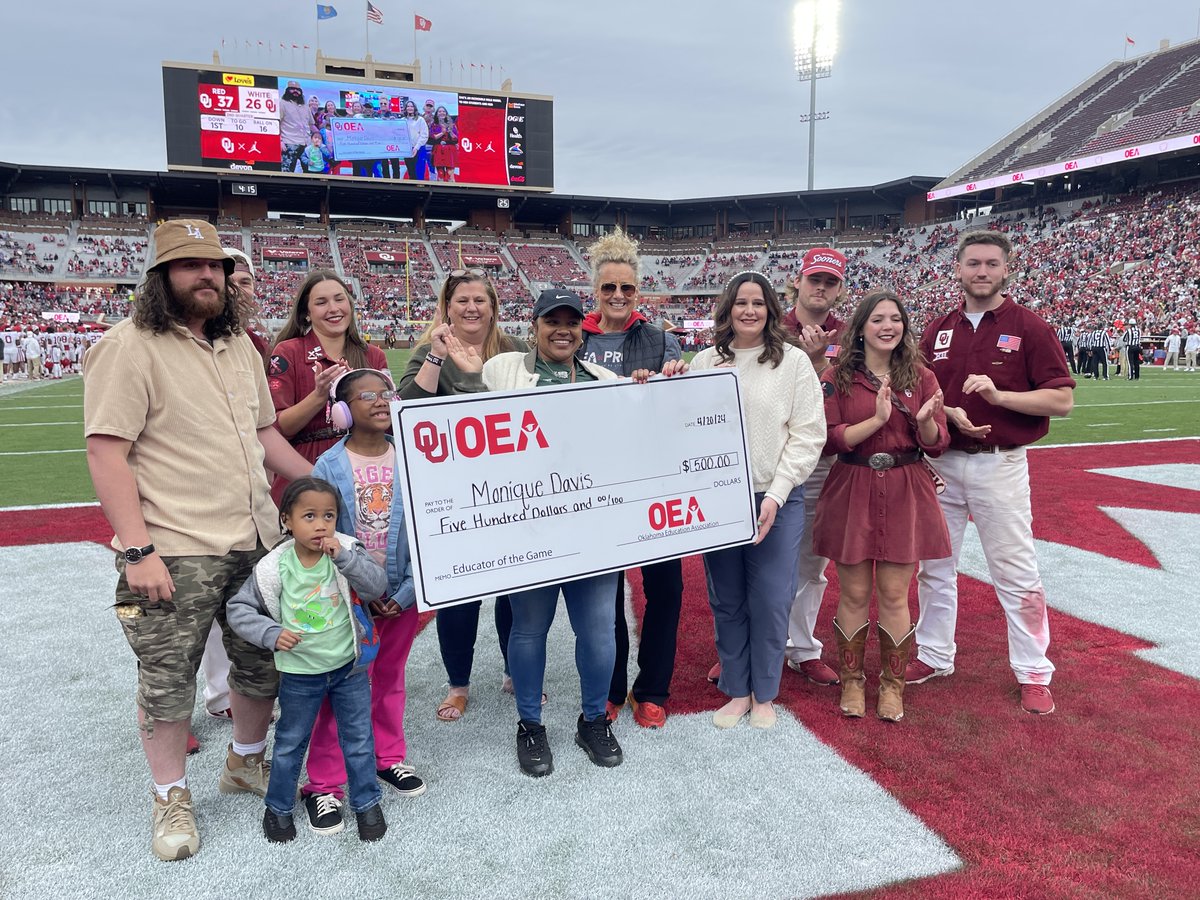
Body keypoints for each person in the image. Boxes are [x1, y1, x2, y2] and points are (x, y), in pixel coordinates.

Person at [82, 219, 312, 861]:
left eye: (213, 265)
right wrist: (136, 549)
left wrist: (324, 483)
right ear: (161, 276)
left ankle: (244, 761)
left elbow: (265, 436)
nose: (207, 276)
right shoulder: (128, 346)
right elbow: (107, 453)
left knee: (262, 661)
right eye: (190, 266)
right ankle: (170, 796)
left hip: (255, 536)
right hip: (175, 545)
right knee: (167, 679)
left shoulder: (238, 343)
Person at [911, 230, 1075, 716]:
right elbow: (914, 389)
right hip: (942, 462)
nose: (981, 272)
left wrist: (1001, 399)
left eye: (991, 264)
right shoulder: (938, 327)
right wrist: (947, 413)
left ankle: (1032, 671)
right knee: (934, 567)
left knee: (1016, 570)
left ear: (1006, 270)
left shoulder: (1030, 326)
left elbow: (1062, 400)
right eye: (973, 263)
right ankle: (934, 654)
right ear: (958, 269)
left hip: (1000, 463)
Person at [481, 289, 623, 777]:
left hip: (593, 524)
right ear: (535, 325)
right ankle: (530, 724)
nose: (563, 329)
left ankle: (592, 718)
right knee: (528, 629)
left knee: (599, 630)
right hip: (530, 526)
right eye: (552, 320)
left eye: (571, 321)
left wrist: (657, 386)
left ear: (583, 328)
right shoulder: (504, 370)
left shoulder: (606, 379)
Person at [690, 272, 825, 729]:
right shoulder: (705, 361)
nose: (749, 311)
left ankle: (764, 692)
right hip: (720, 499)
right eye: (740, 302)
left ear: (771, 310)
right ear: (727, 309)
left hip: (776, 498)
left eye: (758, 303)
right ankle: (736, 687)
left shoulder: (792, 362)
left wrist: (779, 493)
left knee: (770, 597)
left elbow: (808, 436)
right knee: (727, 598)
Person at [227, 476, 389, 844]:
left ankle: (367, 803)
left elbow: (377, 586)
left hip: (349, 669)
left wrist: (345, 559)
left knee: (359, 738)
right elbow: (238, 609)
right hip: (300, 674)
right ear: (287, 520)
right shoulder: (274, 565)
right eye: (309, 516)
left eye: (328, 516)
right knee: (289, 742)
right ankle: (279, 809)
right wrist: (270, 633)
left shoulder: (347, 549)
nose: (320, 525)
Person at [812, 290, 950, 721]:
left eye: (895, 319)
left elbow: (939, 443)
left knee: (894, 593)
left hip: (906, 486)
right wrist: (874, 420)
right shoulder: (836, 376)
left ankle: (892, 687)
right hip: (852, 482)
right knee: (853, 591)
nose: (887, 326)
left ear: (905, 327)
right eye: (878, 319)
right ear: (861, 327)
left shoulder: (922, 376)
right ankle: (853, 682)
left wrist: (926, 422)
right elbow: (829, 439)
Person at [301, 368, 426, 834]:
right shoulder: (329, 467)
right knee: (341, 689)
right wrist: (360, 592)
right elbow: (319, 537)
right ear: (340, 411)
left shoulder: (413, 458)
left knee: (390, 678)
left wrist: (405, 592)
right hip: (350, 602)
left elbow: (429, 528)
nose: (379, 401)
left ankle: (387, 756)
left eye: (385, 393)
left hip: (402, 594)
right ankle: (325, 785)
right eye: (365, 396)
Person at [398, 269, 524, 722]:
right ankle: (458, 683)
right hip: (453, 495)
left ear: (493, 307)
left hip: (510, 491)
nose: (472, 308)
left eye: (480, 300)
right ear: (447, 308)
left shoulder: (513, 352)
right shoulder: (427, 351)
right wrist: (436, 356)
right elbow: (407, 407)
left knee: (514, 590)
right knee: (459, 594)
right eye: (462, 301)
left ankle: (516, 670)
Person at [576, 228, 687, 729]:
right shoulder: (573, 338)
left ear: (638, 291)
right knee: (608, 597)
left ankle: (653, 689)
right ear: (594, 292)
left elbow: (682, 412)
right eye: (608, 289)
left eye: (626, 289)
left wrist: (675, 381)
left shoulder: (662, 340)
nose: (618, 297)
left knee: (664, 589)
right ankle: (612, 687)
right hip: (597, 487)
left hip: (654, 481)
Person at [778, 247, 850, 687]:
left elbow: (850, 397)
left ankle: (801, 647)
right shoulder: (771, 325)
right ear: (798, 282)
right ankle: (748, 643)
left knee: (812, 561)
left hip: (825, 459)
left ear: (839, 289)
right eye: (814, 280)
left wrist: (821, 363)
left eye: (830, 282)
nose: (821, 288)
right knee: (758, 557)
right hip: (772, 458)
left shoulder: (851, 332)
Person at [268, 270, 389, 504]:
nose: (333, 308)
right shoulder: (288, 352)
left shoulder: (373, 356)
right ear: (306, 314)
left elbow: (389, 425)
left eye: (339, 299)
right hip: (305, 471)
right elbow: (277, 428)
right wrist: (319, 396)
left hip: (366, 471)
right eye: (321, 302)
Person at [279, 81, 316, 174]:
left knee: (311, 171)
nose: (295, 91)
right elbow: (276, 123)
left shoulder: (305, 106)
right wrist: (280, 141)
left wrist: (319, 138)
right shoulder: (282, 103)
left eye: (297, 90)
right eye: (292, 89)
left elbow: (311, 125)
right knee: (287, 171)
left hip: (306, 144)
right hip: (289, 142)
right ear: (287, 90)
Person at [402, 100, 429, 180]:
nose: (410, 108)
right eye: (408, 106)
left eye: (411, 106)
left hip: (419, 149)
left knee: (420, 173)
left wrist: (416, 147)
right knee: (411, 172)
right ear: (406, 108)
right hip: (407, 150)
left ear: (414, 108)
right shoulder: (403, 120)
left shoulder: (420, 120)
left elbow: (424, 135)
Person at [430, 106, 458, 183]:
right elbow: (433, 137)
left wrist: (450, 131)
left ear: (446, 113)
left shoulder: (452, 124)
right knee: (440, 173)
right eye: (439, 111)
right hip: (438, 149)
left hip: (450, 150)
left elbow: (456, 138)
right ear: (437, 114)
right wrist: (442, 132)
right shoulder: (434, 124)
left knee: (450, 173)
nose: (442, 113)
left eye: (443, 111)